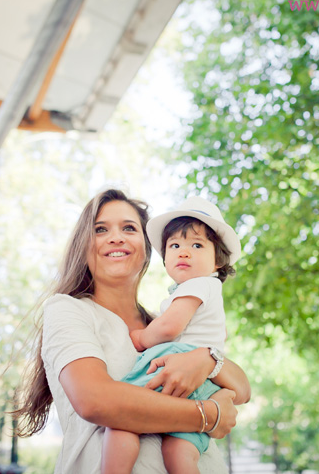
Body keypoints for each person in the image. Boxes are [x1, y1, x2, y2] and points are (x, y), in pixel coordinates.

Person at [12, 189, 250, 474]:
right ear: (83, 245)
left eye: (129, 228)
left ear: (147, 248)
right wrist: (207, 415)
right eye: (100, 229)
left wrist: (207, 359)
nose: (116, 237)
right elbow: (95, 400)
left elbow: (243, 389)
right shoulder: (68, 310)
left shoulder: (163, 325)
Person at [102, 196, 245, 474]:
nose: (184, 252)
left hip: (175, 363)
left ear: (217, 261)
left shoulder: (199, 285)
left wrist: (142, 338)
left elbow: (169, 328)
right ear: (165, 257)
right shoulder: (208, 291)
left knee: (123, 417)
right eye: (175, 245)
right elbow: (220, 335)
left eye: (197, 245)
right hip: (205, 382)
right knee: (179, 449)